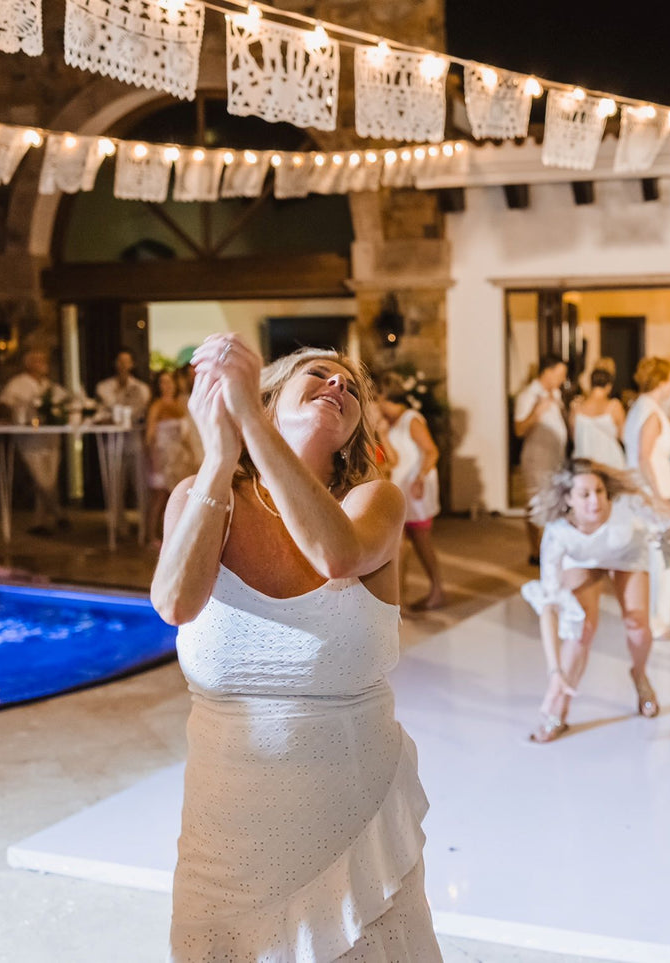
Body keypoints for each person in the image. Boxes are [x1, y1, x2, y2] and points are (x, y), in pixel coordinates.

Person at [152, 336, 440, 961]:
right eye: (319, 374)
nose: (338, 386)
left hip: (350, 817)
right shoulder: (199, 498)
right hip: (226, 831)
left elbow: (336, 556)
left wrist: (250, 424)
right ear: (273, 396)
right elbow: (175, 603)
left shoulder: (374, 501)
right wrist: (219, 458)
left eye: (350, 387)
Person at [520, 459, 670, 742]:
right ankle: (558, 709)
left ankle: (639, 674)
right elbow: (548, 607)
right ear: (568, 499)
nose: (595, 501)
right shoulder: (558, 532)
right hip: (582, 559)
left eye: (599, 491)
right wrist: (554, 670)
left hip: (626, 554)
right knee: (580, 629)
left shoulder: (627, 504)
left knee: (638, 625)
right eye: (584, 494)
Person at [623, 357, 670, 639]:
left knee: (654, 556)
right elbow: (644, 457)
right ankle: (658, 621)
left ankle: (652, 617)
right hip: (654, 492)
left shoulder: (640, 407)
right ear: (663, 382)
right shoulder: (650, 412)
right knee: (663, 559)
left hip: (643, 492)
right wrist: (659, 497)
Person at [377, 372, 447, 611]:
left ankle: (437, 589)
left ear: (383, 397)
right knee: (402, 543)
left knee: (421, 541)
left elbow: (431, 451)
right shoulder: (391, 423)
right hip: (403, 488)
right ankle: (400, 595)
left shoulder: (411, 419)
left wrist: (420, 478)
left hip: (417, 488)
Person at [0, 347, 70, 536]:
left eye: (44, 360)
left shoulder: (51, 386)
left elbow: (65, 403)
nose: (43, 364)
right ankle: (58, 513)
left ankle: (39, 522)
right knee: (42, 480)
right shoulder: (17, 384)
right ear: (28, 364)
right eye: (38, 360)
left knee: (50, 480)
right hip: (30, 441)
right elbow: (5, 404)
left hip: (50, 439)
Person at [513, 355, 569, 566]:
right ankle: (536, 550)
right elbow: (519, 429)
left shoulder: (555, 394)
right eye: (560, 374)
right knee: (535, 504)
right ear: (547, 371)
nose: (563, 379)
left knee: (554, 503)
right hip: (537, 459)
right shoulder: (529, 395)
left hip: (556, 457)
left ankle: (550, 547)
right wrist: (537, 412)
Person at [96, 348, 153, 534]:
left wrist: (116, 412)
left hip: (134, 440)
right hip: (112, 441)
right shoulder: (104, 387)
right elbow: (106, 410)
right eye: (120, 361)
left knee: (139, 484)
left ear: (132, 364)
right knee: (114, 485)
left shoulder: (141, 388)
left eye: (126, 361)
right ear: (115, 364)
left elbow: (136, 412)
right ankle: (117, 526)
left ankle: (144, 526)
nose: (123, 365)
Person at [145, 370, 200, 547]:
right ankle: (150, 535)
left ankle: (172, 534)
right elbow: (150, 435)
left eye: (169, 382)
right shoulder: (157, 406)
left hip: (179, 457)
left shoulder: (181, 404)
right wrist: (154, 458)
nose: (166, 386)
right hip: (162, 456)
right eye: (162, 382)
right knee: (160, 495)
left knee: (177, 495)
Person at [569, 364, 626, 469]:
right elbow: (623, 435)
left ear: (591, 383)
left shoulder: (576, 407)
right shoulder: (614, 406)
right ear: (609, 386)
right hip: (610, 462)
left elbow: (573, 436)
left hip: (584, 462)